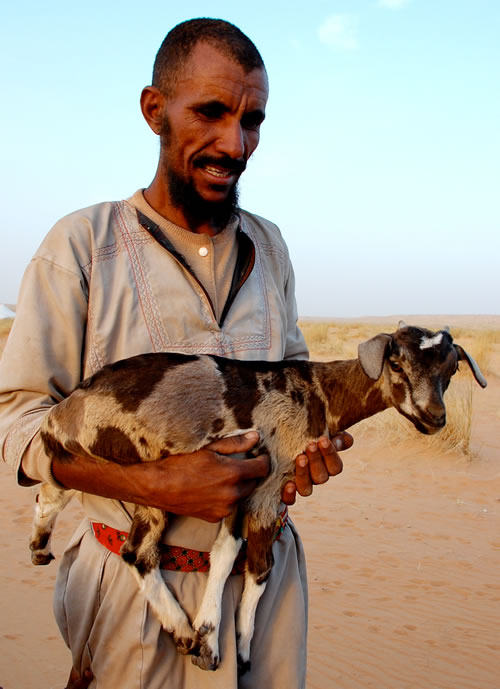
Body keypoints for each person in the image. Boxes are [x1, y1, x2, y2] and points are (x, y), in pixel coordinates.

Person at [0, 18, 351, 689]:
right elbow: (14, 426)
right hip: (132, 587)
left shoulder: (271, 249)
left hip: (263, 583)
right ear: (154, 110)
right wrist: (152, 484)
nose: (235, 143)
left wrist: (304, 456)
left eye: (253, 120)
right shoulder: (80, 247)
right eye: (212, 113)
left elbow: (293, 387)